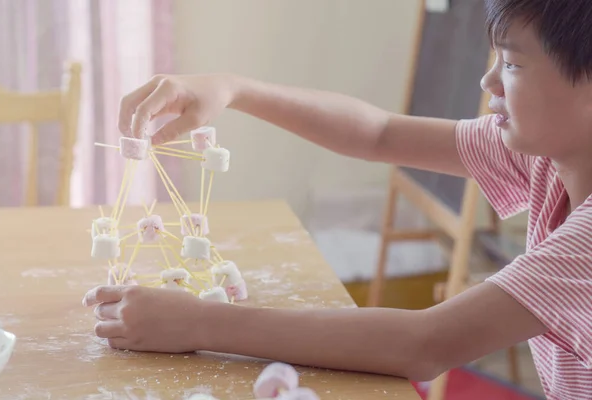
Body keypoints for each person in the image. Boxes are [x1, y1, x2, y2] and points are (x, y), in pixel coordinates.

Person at [82, 1, 592, 398]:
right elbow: (380, 134)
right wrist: (232, 89)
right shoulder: (547, 156)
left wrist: (197, 322)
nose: (488, 82)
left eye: (512, 64)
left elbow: (425, 343)